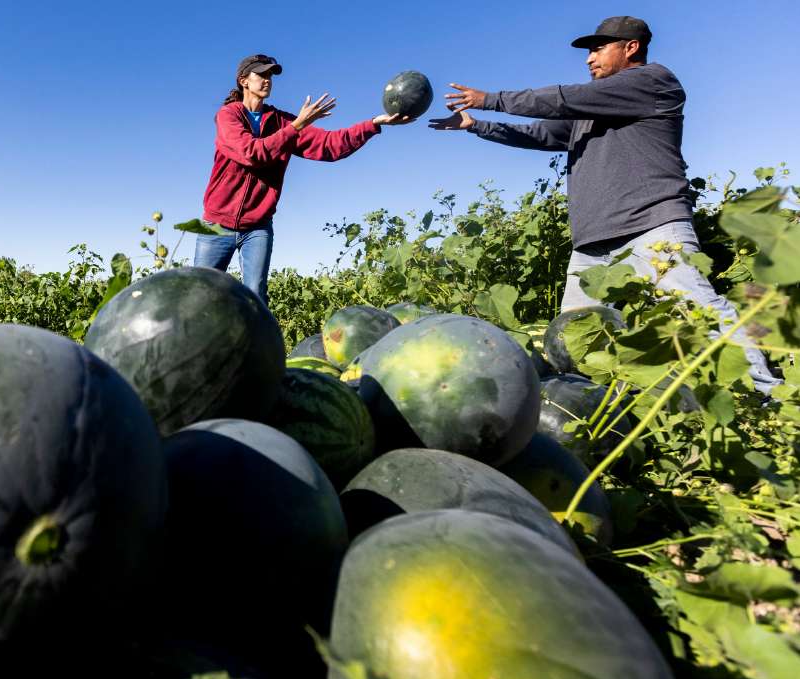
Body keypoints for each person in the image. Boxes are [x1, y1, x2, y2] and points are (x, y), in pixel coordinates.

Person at [428, 16, 781, 395]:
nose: (588, 59)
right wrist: (477, 125)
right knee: (574, 342)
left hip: (651, 227)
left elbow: (562, 98)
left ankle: (768, 398)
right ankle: (593, 421)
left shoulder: (653, 82)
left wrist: (493, 99)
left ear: (631, 48)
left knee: (699, 311)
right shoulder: (594, 105)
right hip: (593, 244)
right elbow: (542, 134)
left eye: (598, 48)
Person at [199, 54, 413, 305]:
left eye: (270, 76)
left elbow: (331, 145)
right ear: (244, 81)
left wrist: (374, 123)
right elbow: (250, 153)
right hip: (216, 223)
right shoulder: (229, 115)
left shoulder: (282, 121)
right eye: (261, 75)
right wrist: (297, 126)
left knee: (256, 296)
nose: (267, 80)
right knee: (200, 292)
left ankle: (255, 345)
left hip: (257, 226)